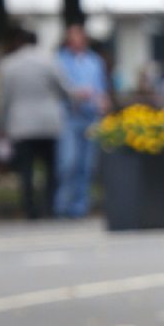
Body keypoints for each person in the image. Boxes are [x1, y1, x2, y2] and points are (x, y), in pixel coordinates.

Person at [0, 30, 70, 220]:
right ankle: (50, 207)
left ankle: (30, 209)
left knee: (26, 170)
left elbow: (2, 100)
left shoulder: (8, 64)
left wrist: (0, 125)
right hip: (48, 122)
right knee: (51, 169)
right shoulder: (49, 61)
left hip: (21, 124)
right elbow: (63, 88)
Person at [55, 22, 110, 219]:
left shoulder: (94, 61)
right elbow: (58, 89)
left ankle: (81, 206)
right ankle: (63, 205)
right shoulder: (59, 61)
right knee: (68, 163)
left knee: (87, 165)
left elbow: (101, 87)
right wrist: (76, 94)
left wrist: (102, 100)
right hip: (69, 116)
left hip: (91, 115)